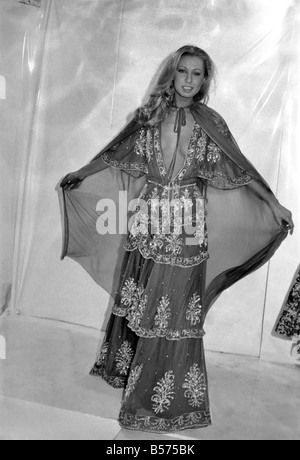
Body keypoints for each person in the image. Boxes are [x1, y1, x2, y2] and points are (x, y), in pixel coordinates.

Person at [60, 45, 294, 433]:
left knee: (174, 313)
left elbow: (240, 167)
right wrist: (83, 172)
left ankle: (161, 401)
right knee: (143, 303)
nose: (188, 80)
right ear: (173, 73)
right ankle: (133, 375)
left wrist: (274, 203)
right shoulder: (149, 115)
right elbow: (116, 152)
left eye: (196, 74)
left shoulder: (210, 123)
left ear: (205, 80)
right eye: (183, 71)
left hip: (186, 224)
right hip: (148, 221)